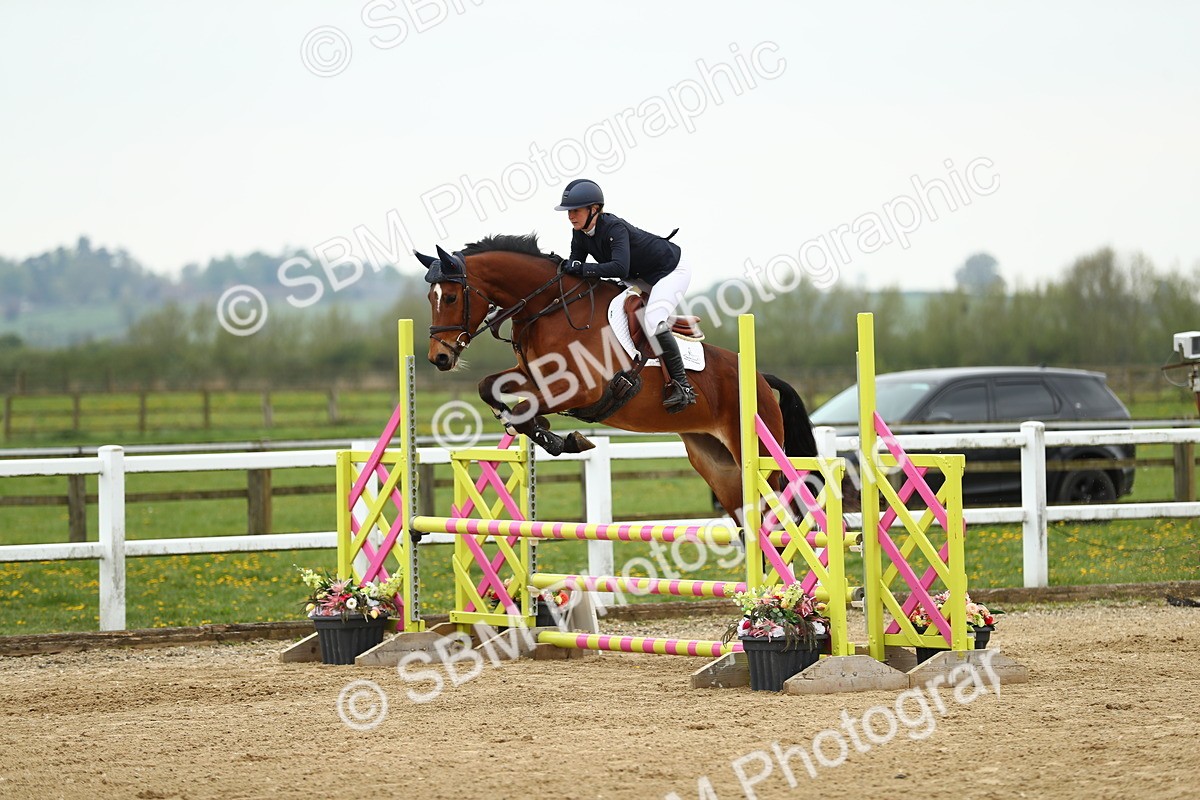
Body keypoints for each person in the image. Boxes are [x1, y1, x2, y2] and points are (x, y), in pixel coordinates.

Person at [555, 178, 697, 412]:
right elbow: (576, 263)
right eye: (568, 211)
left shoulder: (614, 228)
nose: (571, 216)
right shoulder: (579, 233)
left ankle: (684, 387)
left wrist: (580, 268)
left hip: (669, 271)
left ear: (594, 209)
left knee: (652, 319)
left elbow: (618, 268)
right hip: (638, 276)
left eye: (576, 210)